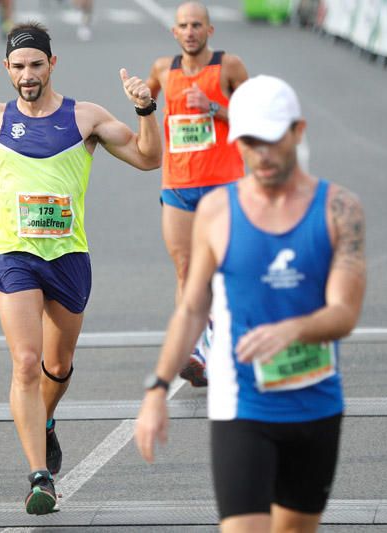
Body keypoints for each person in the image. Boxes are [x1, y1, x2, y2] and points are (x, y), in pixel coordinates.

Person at [0, 22, 161, 515]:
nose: (28, 75)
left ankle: (44, 420)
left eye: (36, 64)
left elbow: (147, 157)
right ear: (6, 69)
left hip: (69, 257)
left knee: (58, 366)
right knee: (25, 362)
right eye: (19, 66)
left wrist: (144, 109)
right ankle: (39, 477)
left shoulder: (86, 117)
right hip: (14, 255)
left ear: (53, 64)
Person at [134, 75, 366, 533]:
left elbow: (345, 312)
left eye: (271, 139)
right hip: (242, 407)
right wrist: (157, 389)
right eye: (249, 141)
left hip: (314, 406)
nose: (260, 153)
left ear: (298, 132)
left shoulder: (339, 209)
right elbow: (192, 309)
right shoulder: (218, 212)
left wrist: (292, 330)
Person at [145, 1, 248, 387]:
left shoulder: (229, 66)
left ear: (210, 30)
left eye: (197, 25)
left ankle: (222, 345)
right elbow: (146, 106)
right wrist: (140, 101)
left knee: (223, 270)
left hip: (224, 184)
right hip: (178, 186)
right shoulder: (161, 69)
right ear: (174, 32)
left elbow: (257, 118)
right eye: (183, 26)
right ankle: (197, 351)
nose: (190, 31)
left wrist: (216, 108)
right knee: (187, 271)